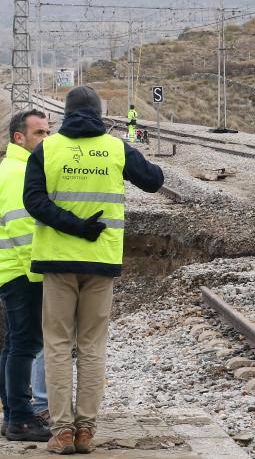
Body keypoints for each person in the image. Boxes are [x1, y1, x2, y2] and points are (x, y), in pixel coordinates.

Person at [24, 86, 164, 454]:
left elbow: (33, 201)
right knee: (92, 346)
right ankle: (86, 432)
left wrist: (72, 225)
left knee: (56, 345)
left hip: (57, 263)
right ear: (98, 113)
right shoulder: (116, 147)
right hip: (100, 263)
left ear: (67, 113)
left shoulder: (46, 149)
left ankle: (63, 432)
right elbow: (154, 180)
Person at [0, 110, 51, 442]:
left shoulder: (11, 167)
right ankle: (20, 418)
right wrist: (38, 273)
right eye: (40, 134)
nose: (47, 139)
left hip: (10, 269)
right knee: (26, 343)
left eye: (48, 132)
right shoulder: (19, 172)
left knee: (13, 343)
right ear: (19, 137)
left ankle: (12, 413)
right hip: (22, 271)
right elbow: (21, 227)